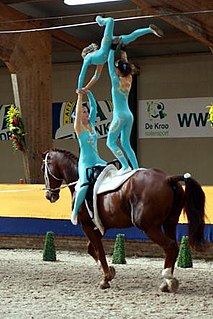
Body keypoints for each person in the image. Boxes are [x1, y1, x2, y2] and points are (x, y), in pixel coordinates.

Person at [77, 16, 163, 91]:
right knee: (130, 37)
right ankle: (149, 29)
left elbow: (84, 75)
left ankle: (98, 19)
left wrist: (80, 88)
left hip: (107, 43)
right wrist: (84, 88)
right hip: (111, 44)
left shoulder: (90, 58)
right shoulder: (96, 61)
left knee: (110, 21)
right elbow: (95, 76)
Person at [71, 90, 106, 225]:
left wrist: (89, 92)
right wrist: (80, 96)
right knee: (85, 185)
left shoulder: (91, 124)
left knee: (112, 169)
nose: (86, 114)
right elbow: (78, 110)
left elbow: (95, 107)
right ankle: (74, 212)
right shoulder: (78, 127)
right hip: (85, 162)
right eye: (83, 112)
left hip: (97, 159)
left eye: (86, 112)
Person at [106, 39, 138, 173]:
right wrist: (123, 49)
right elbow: (125, 63)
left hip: (119, 116)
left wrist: (113, 47)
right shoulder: (129, 78)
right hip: (129, 115)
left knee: (110, 142)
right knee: (126, 143)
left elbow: (108, 62)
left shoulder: (115, 80)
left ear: (118, 71)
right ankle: (136, 168)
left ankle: (125, 165)